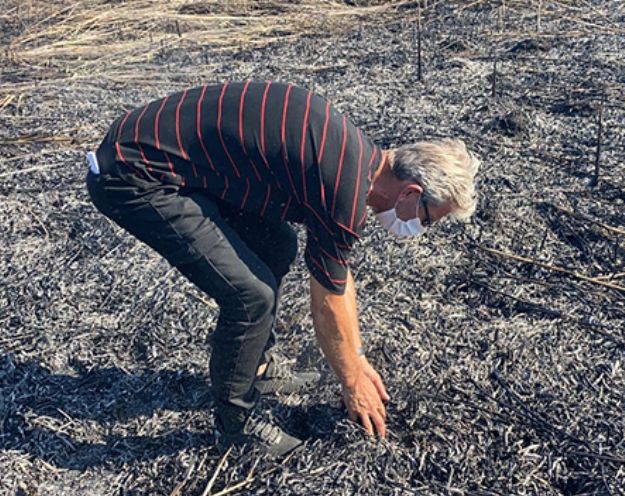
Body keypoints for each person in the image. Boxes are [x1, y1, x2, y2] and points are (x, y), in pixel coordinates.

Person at [85, 81, 479, 457]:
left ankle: (256, 364)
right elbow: (327, 302)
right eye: (427, 219)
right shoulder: (342, 189)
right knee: (250, 297)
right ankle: (235, 426)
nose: (421, 228)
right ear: (411, 193)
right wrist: (352, 380)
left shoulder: (353, 159)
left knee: (278, 245)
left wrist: (356, 358)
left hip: (170, 159)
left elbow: (338, 277)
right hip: (131, 175)